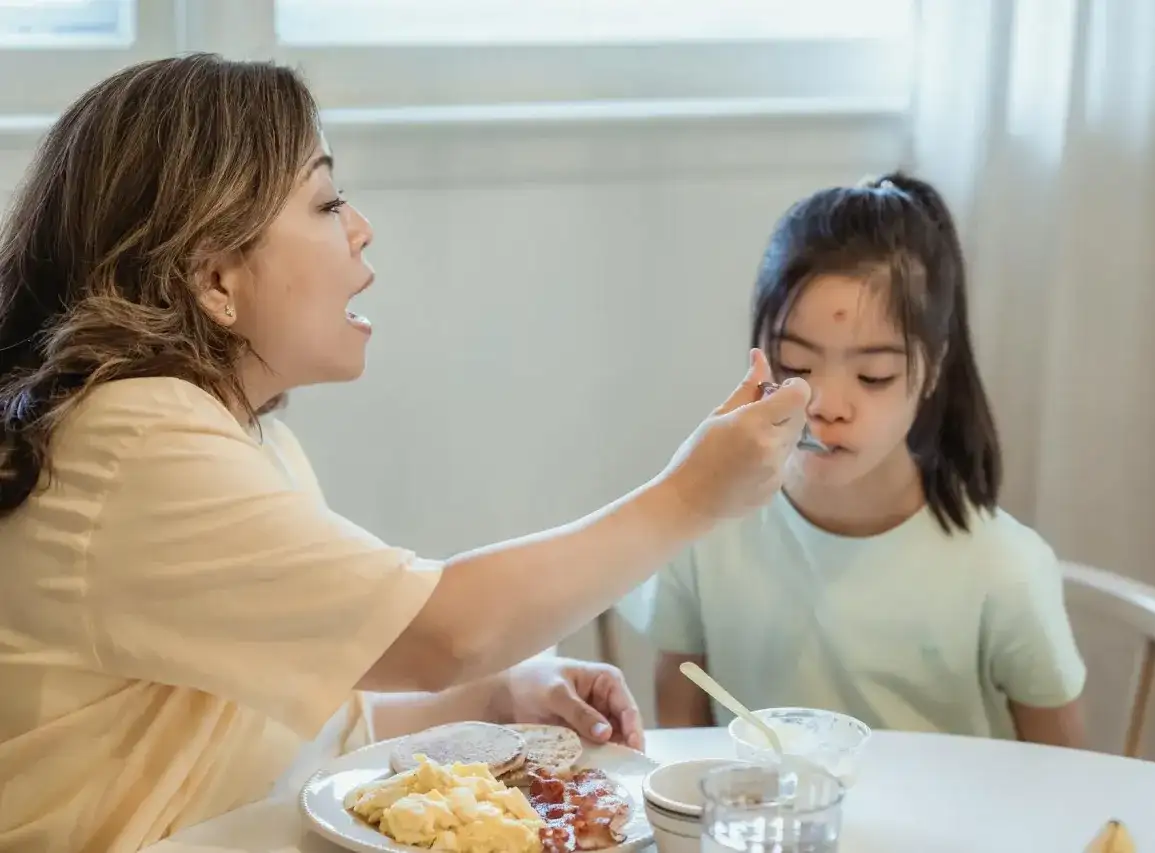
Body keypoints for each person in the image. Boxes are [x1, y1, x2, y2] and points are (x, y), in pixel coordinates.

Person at [0, 54, 812, 853]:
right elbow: (444, 631)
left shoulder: (237, 436)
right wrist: (690, 496)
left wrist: (500, 692)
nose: (361, 227)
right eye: (326, 201)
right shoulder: (137, 441)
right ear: (215, 278)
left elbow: (300, 727)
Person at [641, 173, 1088, 747]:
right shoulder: (704, 529)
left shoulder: (1003, 569)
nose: (824, 405)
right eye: (796, 365)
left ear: (933, 369)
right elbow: (681, 743)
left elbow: (1066, 778)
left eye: (874, 376)